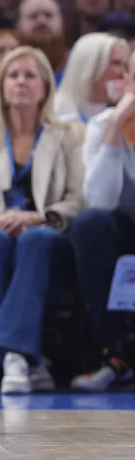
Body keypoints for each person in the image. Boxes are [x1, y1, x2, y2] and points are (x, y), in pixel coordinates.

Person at [0, 47, 82, 394]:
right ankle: (27, 358)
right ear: (1, 87)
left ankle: (9, 353)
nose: (21, 82)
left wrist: (38, 217)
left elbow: (77, 200)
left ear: (44, 88)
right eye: (13, 75)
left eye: (30, 75)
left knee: (33, 240)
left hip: (48, 237)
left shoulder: (68, 136)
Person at [70, 51, 135, 391]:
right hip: (120, 231)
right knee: (90, 222)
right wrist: (114, 128)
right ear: (126, 82)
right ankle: (113, 355)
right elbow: (99, 200)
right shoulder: (101, 125)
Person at [54, 32, 130, 124]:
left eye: (125, 65)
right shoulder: (55, 111)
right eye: (116, 63)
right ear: (91, 66)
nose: (124, 74)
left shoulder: (124, 113)